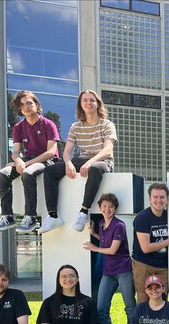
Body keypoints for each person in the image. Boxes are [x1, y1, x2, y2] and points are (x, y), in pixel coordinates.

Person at [39, 89, 117, 234]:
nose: (89, 103)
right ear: (80, 105)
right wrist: (68, 163)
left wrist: (90, 162)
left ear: (98, 104)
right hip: (82, 160)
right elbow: (67, 151)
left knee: (94, 168)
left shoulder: (107, 124)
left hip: (102, 161)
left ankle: (83, 212)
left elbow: (108, 149)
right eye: (85, 100)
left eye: (92, 100)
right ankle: (53, 216)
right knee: (50, 170)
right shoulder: (76, 127)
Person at [0, 90, 59, 234]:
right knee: (3, 174)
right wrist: (17, 161)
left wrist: (25, 164)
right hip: (28, 160)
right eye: (22, 105)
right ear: (20, 109)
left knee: (28, 173)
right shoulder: (18, 127)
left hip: (47, 161)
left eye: (29, 103)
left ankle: (31, 217)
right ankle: (7, 216)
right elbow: (15, 152)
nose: (26, 107)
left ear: (36, 104)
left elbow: (51, 152)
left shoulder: (48, 124)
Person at [82, 193, 135, 324]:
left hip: (124, 270)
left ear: (115, 209)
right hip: (108, 272)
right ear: (100, 208)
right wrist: (95, 235)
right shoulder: (102, 226)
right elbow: (106, 241)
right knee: (101, 308)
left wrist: (95, 247)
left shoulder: (119, 225)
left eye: (110, 207)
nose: (107, 209)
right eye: (104, 206)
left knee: (130, 308)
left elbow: (112, 249)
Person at [132, 183, 169, 303]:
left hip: (163, 265)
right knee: (143, 299)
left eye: (162, 197)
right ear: (150, 199)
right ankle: (142, 322)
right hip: (144, 264)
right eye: (155, 197)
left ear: (167, 199)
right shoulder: (142, 217)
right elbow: (146, 248)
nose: (158, 200)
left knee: (163, 299)